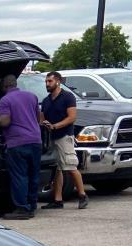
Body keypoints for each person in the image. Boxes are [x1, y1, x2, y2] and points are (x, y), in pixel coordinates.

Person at [0, 74, 42, 220]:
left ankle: (22, 208)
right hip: (36, 140)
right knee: (34, 175)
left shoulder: (5, 100)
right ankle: (32, 205)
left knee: (20, 176)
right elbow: (38, 118)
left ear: (4, 86)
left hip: (17, 143)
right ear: (15, 84)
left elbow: (6, 122)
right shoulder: (32, 96)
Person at [40, 71, 89, 210]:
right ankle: (57, 200)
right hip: (51, 138)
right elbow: (42, 118)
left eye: (50, 81)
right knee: (57, 169)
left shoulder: (68, 97)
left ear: (58, 81)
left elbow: (72, 117)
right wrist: (44, 124)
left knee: (70, 166)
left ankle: (82, 195)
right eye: (46, 81)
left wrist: (55, 126)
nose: (47, 84)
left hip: (64, 136)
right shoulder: (46, 100)